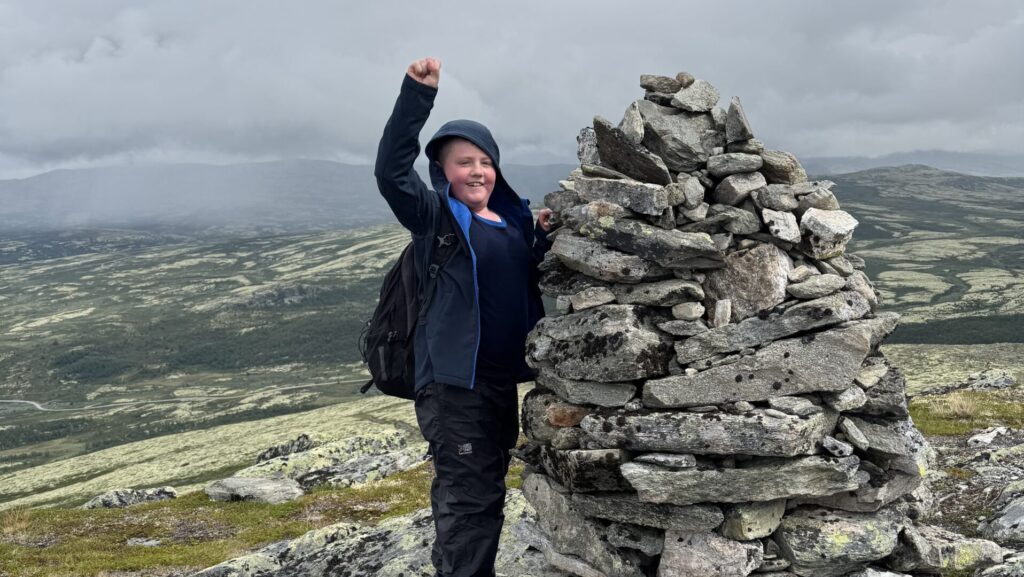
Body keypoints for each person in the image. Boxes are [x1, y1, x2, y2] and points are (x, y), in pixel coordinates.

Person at [374, 56, 554, 577]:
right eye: (461, 163)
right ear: (442, 172)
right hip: (454, 388)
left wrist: (541, 232)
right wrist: (417, 95)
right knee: (468, 502)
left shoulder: (513, 221)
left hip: (498, 385)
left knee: (486, 492)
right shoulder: (436, 220)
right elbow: (389, 171)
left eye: (484, 161)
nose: (476, 171)